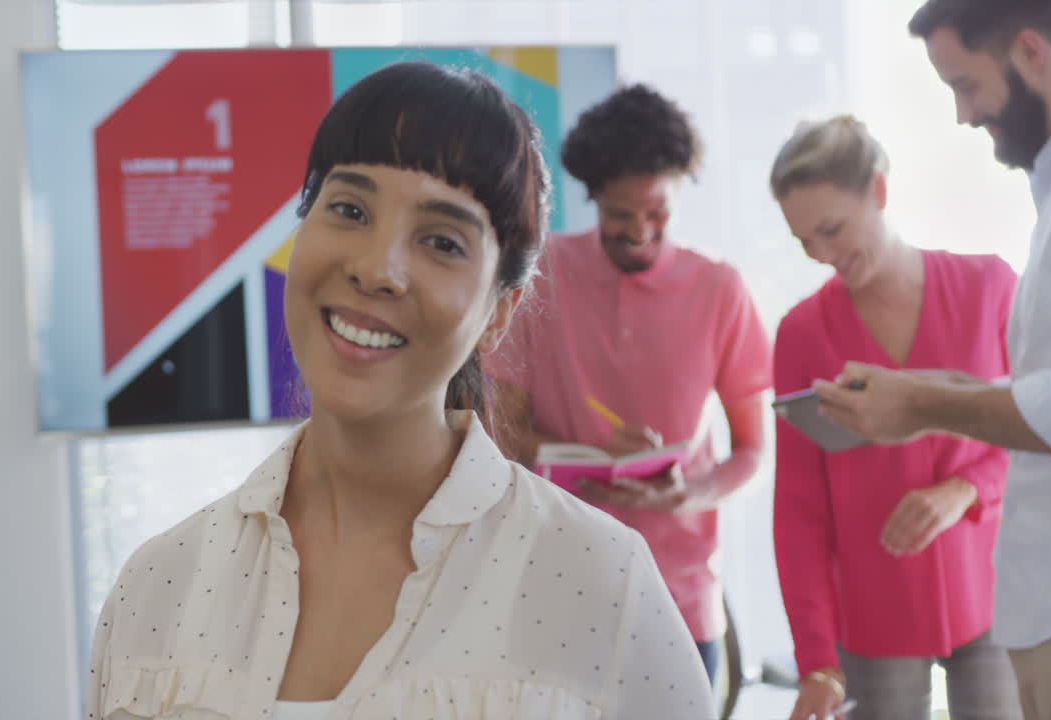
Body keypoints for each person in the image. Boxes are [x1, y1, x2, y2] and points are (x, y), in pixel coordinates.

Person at [84, 61, 713, 720]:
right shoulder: (158, 587)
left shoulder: (602, 588)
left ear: (500, 312)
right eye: (349, 209)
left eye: (441, 242)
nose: (378, 268)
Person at [810, 4, 1051, 718]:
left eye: (968, 85)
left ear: (1032, 54)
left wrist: (919, 406)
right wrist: (917, 389)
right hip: (1029, 604)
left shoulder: (985, 277)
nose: (962, 115)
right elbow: (1032, 390)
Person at [486, 83, 772, 687]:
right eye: (621, 215)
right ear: (592, 199)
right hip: (559, 582)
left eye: (657, 213)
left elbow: (751, 450)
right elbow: (502, 431)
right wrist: (577, 456)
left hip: (682, 598)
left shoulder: (719, 288)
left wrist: (689, 493)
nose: (641, 230)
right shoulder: (545, 276)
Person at [768, 115, 1022, 720]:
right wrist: (817, 663)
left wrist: (965, 490)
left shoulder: (990, 287)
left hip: (995, 590)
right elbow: (799, 510)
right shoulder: (801, 334)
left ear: (878, 191)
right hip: (872, 617)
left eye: (831, 230)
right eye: (805, 241)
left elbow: (1037, 431)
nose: (822, 256)